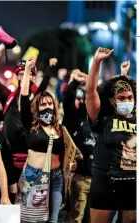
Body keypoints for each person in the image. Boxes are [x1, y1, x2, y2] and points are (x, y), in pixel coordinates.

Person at [0, 41, 56, 181]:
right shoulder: (7, 96)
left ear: (33, 77)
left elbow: (45, 81)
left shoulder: (39, 99)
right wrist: (3, 46)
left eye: (28, 73)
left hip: (34, 162)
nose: (24, 76)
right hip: (8, 160)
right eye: (20, 74)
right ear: (16, 77)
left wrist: (51, 67)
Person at [86, 47, 136, 223]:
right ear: (112, 100)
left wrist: (124, 75)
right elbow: (91, 92)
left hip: (133, 186)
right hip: (105, 185)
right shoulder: (103, 117)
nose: (127, 101)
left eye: (130, 97)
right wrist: (97, 62)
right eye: (122, 98)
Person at [15, 57, 65, 223]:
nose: (47, 107)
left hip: (56, 177)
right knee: (32, 219)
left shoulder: (58, 127)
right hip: (35, 176)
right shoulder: (31, 124)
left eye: (50, 103)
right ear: (37, 108)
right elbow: (24, 97)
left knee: (53, 219)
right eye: (43, 104)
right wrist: (28, 69)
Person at [62, 69, 96, 223]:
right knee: (76, 217)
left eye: (86, 97)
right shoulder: (73, 118)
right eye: (81, 98)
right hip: (80, 177)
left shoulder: (98, 119)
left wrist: (91, 82)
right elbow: (67, 101)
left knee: (95, 219)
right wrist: (74, 82)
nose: (83, 101)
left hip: (99, 178)